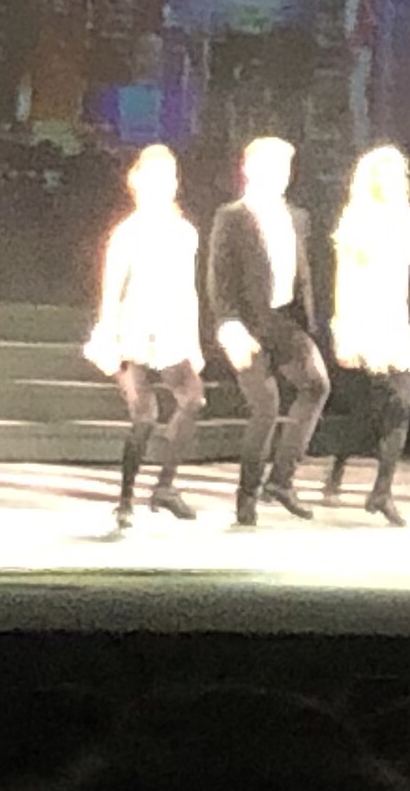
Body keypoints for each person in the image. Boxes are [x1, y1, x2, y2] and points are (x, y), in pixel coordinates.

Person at [208, 134, 333, 529]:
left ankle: (281, 480)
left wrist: (307, 319)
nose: (280, 175)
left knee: (316, 385)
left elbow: (302, 272)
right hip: (246, 325)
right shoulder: (233, 216)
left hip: (284, 321)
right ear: (248, 168)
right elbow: (220, 278)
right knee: (265, 406)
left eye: (284, 168)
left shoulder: (296, 217)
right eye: (271, 166)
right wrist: (229, 326)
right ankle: (247, 496)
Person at [84, 143, 204, 535]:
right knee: (145, 416)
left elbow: (188, 291)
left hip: (171, 334)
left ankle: (165, 487)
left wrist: (193, 342)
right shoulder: (128, 233)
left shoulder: (184, 233)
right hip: (133, 333)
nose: (163, 185)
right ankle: (125, 499)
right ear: (137, 182)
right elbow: (111, 290)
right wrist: (108, 333)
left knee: (193, 401)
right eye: (155, 178)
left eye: (169, 178)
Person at [325, 145, 410, 521]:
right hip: (364, 316)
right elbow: (345, 278)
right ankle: (341, 467)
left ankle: (380, 491)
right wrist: (343, 329)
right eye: (383, 173)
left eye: (395, 173)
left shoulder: (408, 221)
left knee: (401, 405)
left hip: (394, 317)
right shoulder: (357, 220)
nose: (390, 180)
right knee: (377, 406)